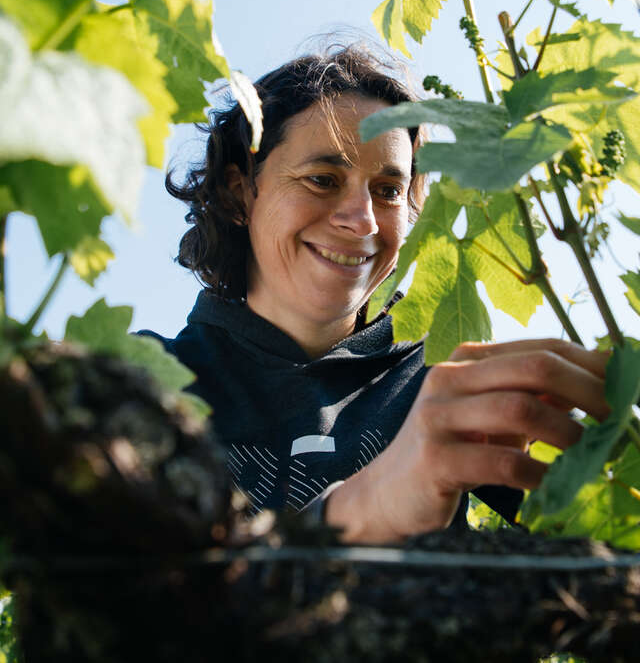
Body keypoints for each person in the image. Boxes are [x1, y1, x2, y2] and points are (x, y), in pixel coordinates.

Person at [139, 44, 609, 544]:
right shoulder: (145, 380)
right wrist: (361, 508)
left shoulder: (444, 379)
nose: (362, 220)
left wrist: (602, 453)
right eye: (322, 180)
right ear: (240, 192)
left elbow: (599, 536)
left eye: (388, 190)